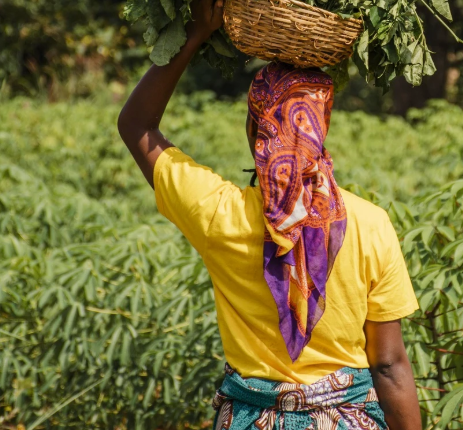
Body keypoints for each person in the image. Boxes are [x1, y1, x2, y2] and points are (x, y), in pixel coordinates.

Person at [116, 0, 422, 428]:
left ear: (254, 133)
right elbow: (389, 365)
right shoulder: (371, 224)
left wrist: (195, 35)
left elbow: (136, 126)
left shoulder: (219, 213)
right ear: (321, 129)